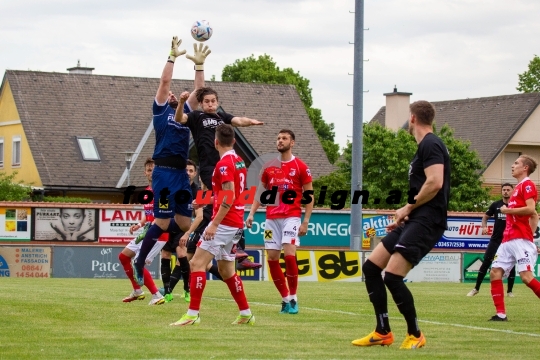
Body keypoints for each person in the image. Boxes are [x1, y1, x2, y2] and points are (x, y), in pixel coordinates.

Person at [351, 100, 450, 349]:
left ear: (413, 118)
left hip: (429, 220)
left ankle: (415, 334)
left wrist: (408, 207)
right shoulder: (425, 146)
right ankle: (382, 331)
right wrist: (406, 215)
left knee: (393, 277)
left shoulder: (431, 143)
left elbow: (435, 182)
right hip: (416, 218)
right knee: (371, 268)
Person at [133, 37, 211, 285]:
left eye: (176, 96)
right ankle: (140, 260)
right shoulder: (160, 111)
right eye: (170, 95)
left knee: (186, 223)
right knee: (163, 220)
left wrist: (199, 66)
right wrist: (172, 56)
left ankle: (195, 263)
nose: (172, 94)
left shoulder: (185, 112)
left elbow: (200, 92)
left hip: (180, 175)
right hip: (164, 173)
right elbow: (165, 82)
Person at [171, 124, 254, 326]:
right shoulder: (239, 161)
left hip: (224, 223)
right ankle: (246, 313)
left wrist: (214, 224)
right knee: (227, 271)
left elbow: (229, 195)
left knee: (196, 264)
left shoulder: (224, 164)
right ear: (234, 141)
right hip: (234, 222)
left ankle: (192, 315)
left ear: (215, 142)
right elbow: (230, 194)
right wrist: (206, 200)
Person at [175, 86, 263, 269]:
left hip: (227, 166)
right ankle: (225, 240)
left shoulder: (222, 118)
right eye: (206, 101)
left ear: (217, 102)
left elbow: (237, 120)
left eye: (213, 101)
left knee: (233, 200)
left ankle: (238, 249)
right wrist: (182, 103)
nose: (210, 104)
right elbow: (179, 118)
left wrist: (251, 122)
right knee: (223, 201)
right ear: (201, 103)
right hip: (210, 168)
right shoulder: (196, 117)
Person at [246, 129, 313, 315]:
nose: (280, 141)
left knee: (290, 255)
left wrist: (306, 221)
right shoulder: (268, 167)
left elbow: (309, 195)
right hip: (271, 219)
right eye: (278, 138)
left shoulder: (301, 167)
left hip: (291, 216)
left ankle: (293, 297)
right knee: (272, 258)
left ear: (292, 143)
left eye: (284, 138)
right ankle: (284, 299)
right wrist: (251, 213)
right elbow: (260, 193)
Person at [488, 155, 540, 321]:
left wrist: (508, 211)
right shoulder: (517, 188)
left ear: (525, 168)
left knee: (526, 277)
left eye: (516, 163)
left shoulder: (528, 185)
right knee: (495, 272)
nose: (512, 166)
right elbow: (534, 215)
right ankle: (500, 314)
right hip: (508, 240)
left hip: (520, 240)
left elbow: (532, 211)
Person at [119, 158, 167, 305]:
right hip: (147, 231)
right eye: (149, 170)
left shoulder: (163, 191)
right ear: (145, 173)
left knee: (137, 264)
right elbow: (148, 215)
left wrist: (153, 224)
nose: (151, 173)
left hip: (159, 235)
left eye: (154, 170)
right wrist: (139, 224)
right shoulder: (147, 192)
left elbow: (165, 215)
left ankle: (157, 295)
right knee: (123, 257)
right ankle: (137, 291)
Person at [160, 160, 201, 303]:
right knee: (165, 255)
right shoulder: (174, 186)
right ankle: (167, 292)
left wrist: (187, 233)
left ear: (195, 174)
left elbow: (200, 216)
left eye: (191, 171)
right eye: (186, 171)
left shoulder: (197, 191)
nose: (188, 173)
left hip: (185, 229)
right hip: (170, 226)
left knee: (182, 254)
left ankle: (187, 289)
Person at [467, 184, 516, 297]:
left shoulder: (515, 205)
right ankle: (476, 288)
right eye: (504, 190)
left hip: (510, 240)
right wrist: (484, 226)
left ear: (512, 191)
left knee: (511, 265)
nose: (506, 192)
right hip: (496, 240)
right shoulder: (496, 205)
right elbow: (485, 217)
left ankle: (509, 291)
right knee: (486, 262)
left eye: (508, 190)